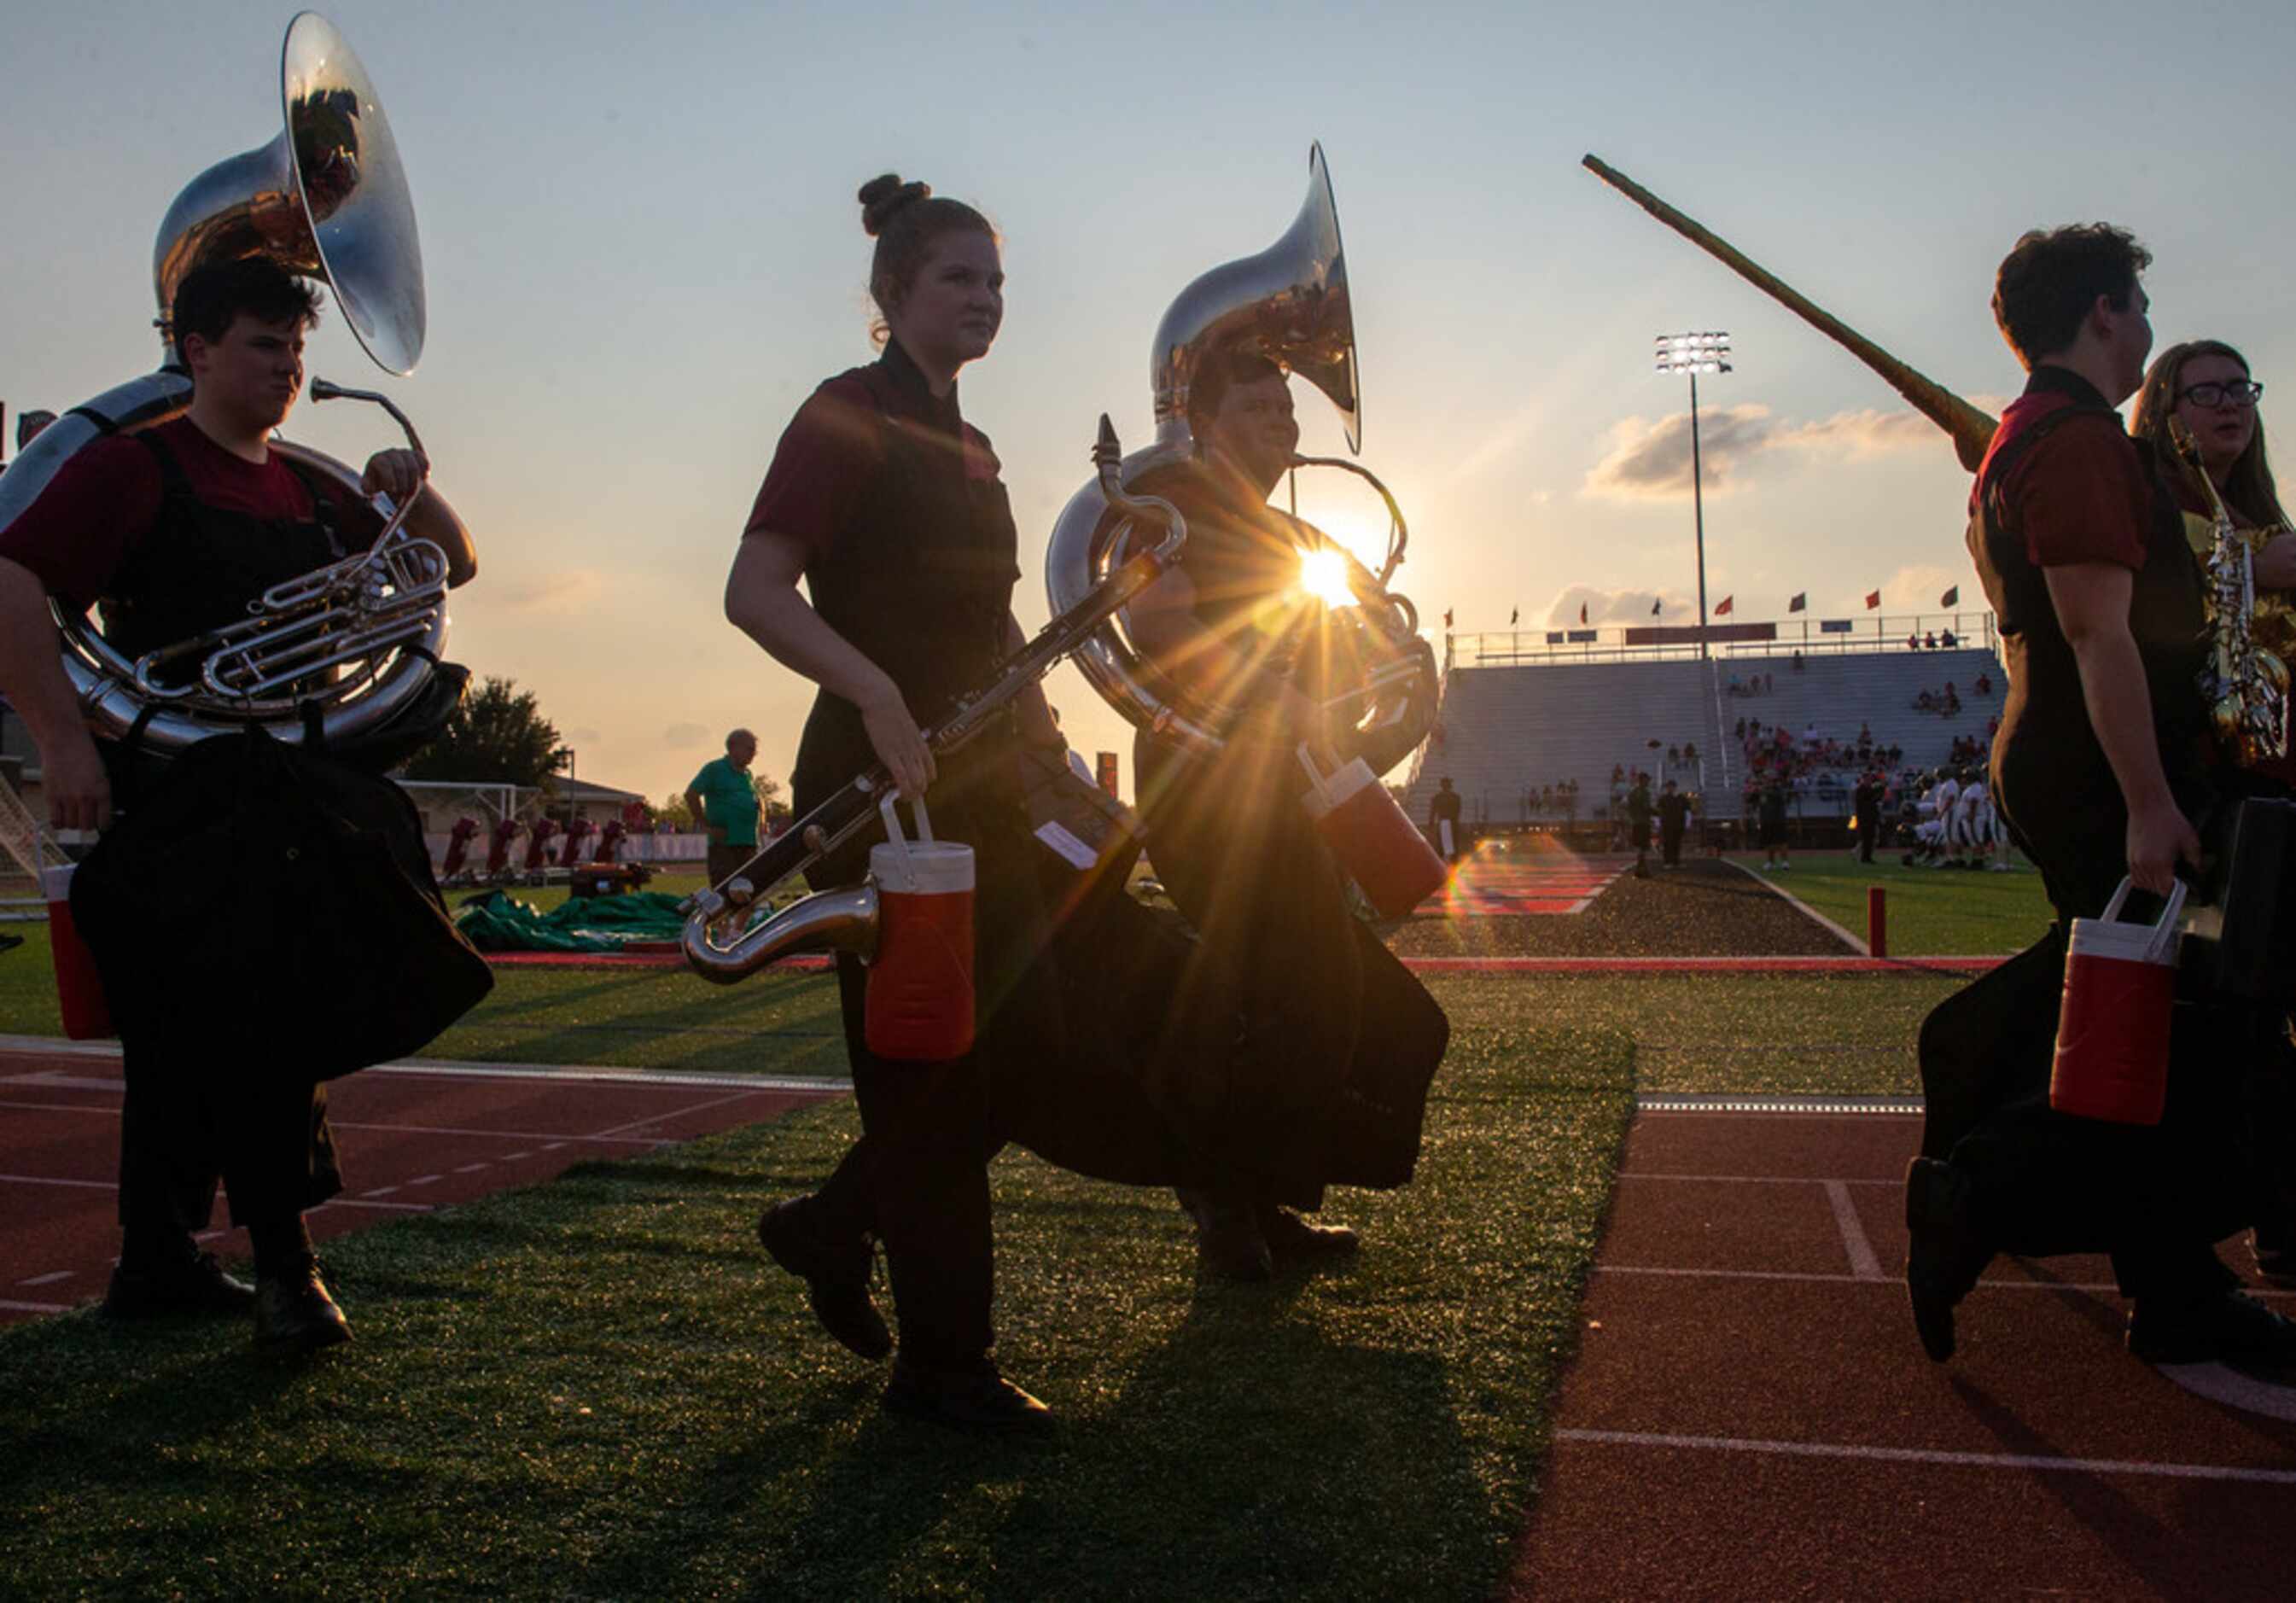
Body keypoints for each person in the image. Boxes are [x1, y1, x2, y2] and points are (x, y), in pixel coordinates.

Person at [726, 174, 1197, 1431]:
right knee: (925, 1058)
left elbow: (987, 622)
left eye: (994, 281)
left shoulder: (973, 443)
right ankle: (941, 1365)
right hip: (879, 782)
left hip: (977, 771)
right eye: (957, 280)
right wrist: (876, 695)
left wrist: (1040, 733)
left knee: (1026, 1042)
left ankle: (834, 1225)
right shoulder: (839, 415)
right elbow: (755, 588)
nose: (985, 301)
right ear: (891, 297)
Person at [0, 258, 435, 1353]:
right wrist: (63, 740)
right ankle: (287, 1269)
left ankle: (154, 1261)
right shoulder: (130, 468)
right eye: (262, 344)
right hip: (180, 781)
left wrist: (412, 492)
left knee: (209, 1026)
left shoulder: (313, 480)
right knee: (233, 1020)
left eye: (296, 348)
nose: (289, 366)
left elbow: (442, 570)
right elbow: (9, 583)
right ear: (194, 351)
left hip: (287, 776)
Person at [1909, 223, 2296, 1376]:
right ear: (2100, 312)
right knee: (2202, 1018)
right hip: (2096, 760)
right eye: (2132, 308)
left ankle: (2166, 1277)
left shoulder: (2035, 437)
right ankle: (1984, 1180)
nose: (2140, 330)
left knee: (2170, 1010)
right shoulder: (2076, 441)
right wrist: (2144, 801)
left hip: (2061, 749)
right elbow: (2095, 630)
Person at [1123, 346, 1449, 1283]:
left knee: (1351, 1014)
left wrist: (1390, 674)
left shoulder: (1284, 534)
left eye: (1285, 409)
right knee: (1303, 1002)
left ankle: (1257, 1196)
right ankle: (1223, 1200)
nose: (1283, 423)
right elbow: (1158, 633)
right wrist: (1280, 691)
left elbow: (1330, 673)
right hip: (1204, 793)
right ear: (1204, 422)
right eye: (1258, 408)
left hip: (1282, 790)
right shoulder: (1168, 507)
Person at [2132, 338, 2296, 1286]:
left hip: (2274, 777)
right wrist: (2252, 565)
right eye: (2205, 392)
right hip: (2214, 788)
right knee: (2241, 1019)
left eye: (2240, 388)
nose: (2228, 404)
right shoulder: (2172, 513)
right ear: (2165, 410)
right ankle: (2269, 1225)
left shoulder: (2257, 515)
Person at [685, 728, 761, 934]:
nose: (753, 753)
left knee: (753, 889)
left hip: (747, 842)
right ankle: (723, 934)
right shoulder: (714, 770)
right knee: (724, 892)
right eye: (750, 748)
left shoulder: (747, 775)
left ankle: (737, 933)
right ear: (733, 747)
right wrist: (705, 824)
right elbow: (691, 794)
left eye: (755, 750)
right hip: (724, 844)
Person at [1429, 774, 1465, 864]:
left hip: (1443, 822)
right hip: (1453, 823)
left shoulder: (1437, 797)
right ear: (1450, 786)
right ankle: (1453, 865)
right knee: (1453, 846)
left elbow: (1433, 812)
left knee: (1441, 846)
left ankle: (1440, 865)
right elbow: (1458, 811)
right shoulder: (1456, 797)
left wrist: (1431, 824)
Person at [1756, 778, 1790, 870]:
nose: (1767, 783)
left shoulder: (1779, 790)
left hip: (1779, 820)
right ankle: (1770, 862)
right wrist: (1759, 820)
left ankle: (1785, 862)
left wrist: (1764, 791)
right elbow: (1761, 806)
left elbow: (1781, 798)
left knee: (1782, 842)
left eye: (1769, 781)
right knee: (1769, 843)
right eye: (1766, 781)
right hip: (1766, 821)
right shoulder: (1763, 793)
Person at [1655, 778, 1689, 869]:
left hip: (1678, 824)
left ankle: (1676, 861)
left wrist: (1687, 824)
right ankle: (1667, 862)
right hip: (1667, 825)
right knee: (1667, 844)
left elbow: (1687, 811)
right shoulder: (1663, 798)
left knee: (1676, 843)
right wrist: (1658, 824)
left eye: (1672, 786)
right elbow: (1658, 811)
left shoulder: (1681, 798)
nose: (1670, 788)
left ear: (1675, 787)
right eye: (1669, 787)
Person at [1626, 771, 1653, 877]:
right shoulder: (1645, 792)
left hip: (1635, 822)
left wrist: (1632, 818)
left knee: (1639, 847)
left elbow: (1628, 807)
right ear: (1642, 780)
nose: (1648, 782)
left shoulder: (1632, 792)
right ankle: (1641, 869)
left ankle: (1640, 869)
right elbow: (1646, 808)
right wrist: (1658, 812)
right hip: (1644, 822)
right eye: (1647, 780)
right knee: (1643, 847)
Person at [1852, 771, 1882, 864]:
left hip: (1871, 817)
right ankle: (1864, 857)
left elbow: (1875, 800)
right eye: (1868, 779)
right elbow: (1866, 802)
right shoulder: (1860, 789)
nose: (1870, 781)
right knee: (1866, 838)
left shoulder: (1869, 789)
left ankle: (1867, 857)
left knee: (1870, 838)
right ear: (1864, 779)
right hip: (1864, 818)